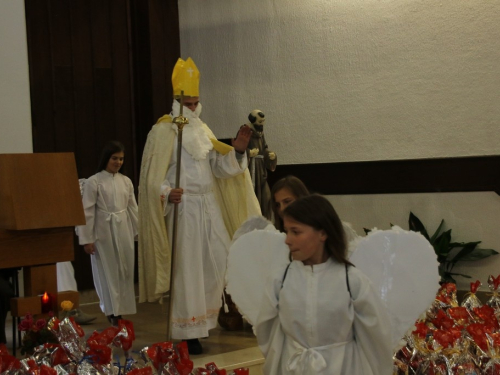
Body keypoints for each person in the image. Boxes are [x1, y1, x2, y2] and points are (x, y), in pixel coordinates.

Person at [138, 57, 260, 355]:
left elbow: (219, 169)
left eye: (196, 103)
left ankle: (204, 323)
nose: (193, 108)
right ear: (177, 102)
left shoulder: (203, 129)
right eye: (188, 103)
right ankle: (187, 332)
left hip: (209, 207)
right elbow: (152, 179)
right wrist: (168, 193)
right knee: (187, 271)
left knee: (215, 263)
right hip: (184, 210)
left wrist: (239, 151)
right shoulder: (163, 131)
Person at [254, 194, 393, 374]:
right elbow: (268, 332)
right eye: (286, 231)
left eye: (295, 232)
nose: (287, 240)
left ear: (323, 233)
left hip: (343, 367)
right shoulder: (281, 280)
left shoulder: (351, 281)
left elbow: (376, 338)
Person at [76, 141, 138, 326]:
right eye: (114, 158)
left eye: (121, 159)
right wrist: (87, 239)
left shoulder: (125, 181)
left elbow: (132, 208)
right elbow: (87, 210)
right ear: (106, 158)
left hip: (123, 229)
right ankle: (112, 311)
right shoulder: (94, 181)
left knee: (124, 270)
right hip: (103, 232)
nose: (118, 162)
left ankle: (122, 309)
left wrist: (138, 232)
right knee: (107, 271)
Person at [245, 110, 277, 220]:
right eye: (259, 122)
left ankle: (266, 222)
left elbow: (264, 148)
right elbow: (238, 150)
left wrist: (270, 155)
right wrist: (248, 153)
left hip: (261, 170)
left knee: (266, 197)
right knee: (253, 198)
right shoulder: (245, 131)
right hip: (251, 169)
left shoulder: (260, 133)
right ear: (253, 121)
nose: (261, 125)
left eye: (263, 122)